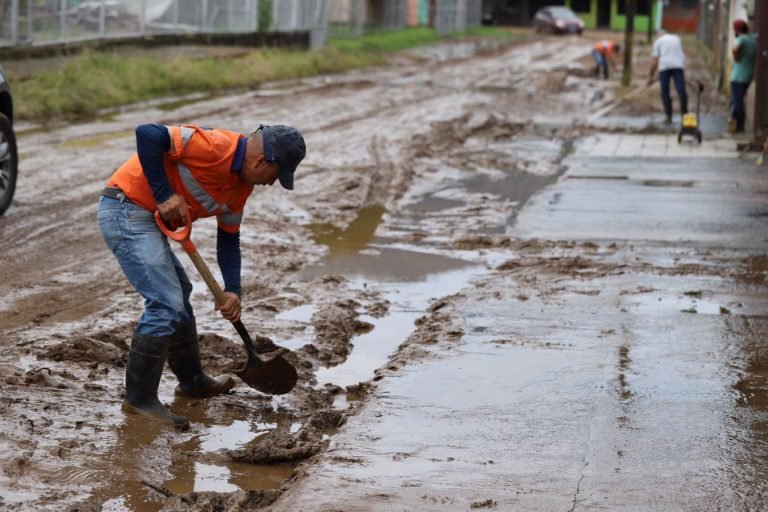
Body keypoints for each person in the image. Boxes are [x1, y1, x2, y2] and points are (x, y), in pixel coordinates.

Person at [98, 123, 306, 429]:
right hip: (124, 207)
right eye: (275, 177)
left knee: (180, 293)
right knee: (166, 302)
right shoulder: (213, 145)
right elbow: (147, 133)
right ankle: (138, 401)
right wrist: (164, 194)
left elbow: (229, 237)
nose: (271, 184)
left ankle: (192, 381)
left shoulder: (241, 187)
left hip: (147, 218)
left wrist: (233, 289)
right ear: (262, 162)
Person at [647, 29, 688, 124]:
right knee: (681, 89)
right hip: (678, 65)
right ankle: (685, 115)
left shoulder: (658, 42)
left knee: (665, 91)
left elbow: (655, 61)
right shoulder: (676, 38)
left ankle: (668, 116)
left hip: (664, 67)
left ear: (658, 35)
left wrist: (650, 76)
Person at [729, 19, 758, 133]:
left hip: (738, 76)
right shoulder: (753, 39)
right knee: (736, 100)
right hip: (748, 75)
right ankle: (733, 119)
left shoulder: (741, 39)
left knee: (737, 101)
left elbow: (735, 49)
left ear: (737, 30)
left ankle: (739, 126)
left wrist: (737, 58)